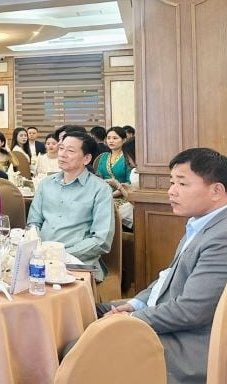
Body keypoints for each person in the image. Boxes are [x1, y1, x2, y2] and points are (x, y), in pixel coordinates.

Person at [102, 148, 227, 384]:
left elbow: (192, 311)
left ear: (216, 190)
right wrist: (134, 303)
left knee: (83, 348)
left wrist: (133, 319)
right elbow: (167, 277)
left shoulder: (222, 236)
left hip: (193, 343)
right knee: (88, 314)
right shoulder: (201, 222)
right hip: (170, 318)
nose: (171, 191)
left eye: (182, 183)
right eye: (171, 182)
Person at [26, 131, 114, 281]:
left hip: (76, 263)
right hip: (41, 259)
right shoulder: (46, 184)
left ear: (86, 158)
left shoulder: (100, 189)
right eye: (61, 148)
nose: (62, 154)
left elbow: (101, 240)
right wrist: (38, 250)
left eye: (70, 150)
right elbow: (33, 223)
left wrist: (61, 255)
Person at [95, 127, 131, 196]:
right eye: (108, 138)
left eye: (115, 138)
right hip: (104, 194)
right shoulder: (103, 157)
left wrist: (114, 194)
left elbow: (130, 182)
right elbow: (98, 177)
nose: (111, 141)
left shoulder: (128, 158)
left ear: (123, 140)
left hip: (123, 196)